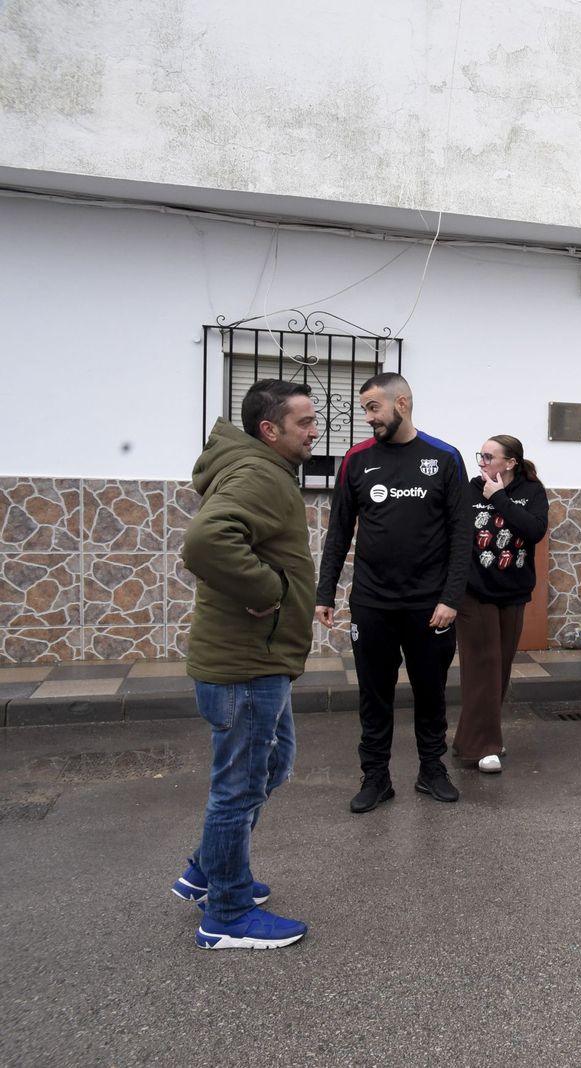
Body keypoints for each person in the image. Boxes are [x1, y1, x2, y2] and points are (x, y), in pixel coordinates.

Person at [173, 379, 319, 949]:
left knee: (275, 762)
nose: (314, 431)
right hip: (247, 663)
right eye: (304, 422)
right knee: (236, 788)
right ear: (270, 430)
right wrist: (271, 588)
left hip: (258, 660)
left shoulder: (259, 469)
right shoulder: (260, 473)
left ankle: (207, 871)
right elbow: (206, 541)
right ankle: (227, 914)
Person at [316, 372, 473, 812]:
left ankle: (431, 770)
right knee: (374, 694)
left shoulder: (444, 458)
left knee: (431, 691)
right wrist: (325, 591)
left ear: (401, 403)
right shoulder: (356, 459)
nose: (368, 418)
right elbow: (339, 530)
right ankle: (376, 777)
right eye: (365, 409)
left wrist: (451, 598)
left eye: (373, 408)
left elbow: (462, 537)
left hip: (429, 605)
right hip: (372, 603)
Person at [455, 435, 550, 772]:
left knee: (502, 666)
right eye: (479, 455)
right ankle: (484, 746)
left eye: (488, 456)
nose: (481, 462)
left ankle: (471, 737)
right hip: (474, 592)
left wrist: (498, 498)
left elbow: (534, 531)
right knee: (485, 664)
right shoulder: (468, 489)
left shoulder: (531, 493)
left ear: (509, 463)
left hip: (512, 592)